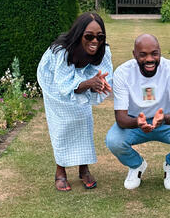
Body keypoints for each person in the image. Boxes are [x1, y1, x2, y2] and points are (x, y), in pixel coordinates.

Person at [105, 33, 170, 191]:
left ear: (160, 52)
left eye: (154, 53)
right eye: (143, 55)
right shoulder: (122, 73)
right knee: (114, 141)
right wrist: (137, 122)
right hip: (134, 122)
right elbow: (121, 119)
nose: (149, 59)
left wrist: (163, 119)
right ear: (134, 54)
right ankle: (136, 166)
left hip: (167, 120)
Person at [37, 12, 113, 191]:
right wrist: (88, 83)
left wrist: (99, 83)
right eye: (89, 36)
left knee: (84, 119)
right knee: (61, 124)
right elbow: (64, 86)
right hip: (53, 82)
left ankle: (83, 169)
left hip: (80, 78)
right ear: (79, 34)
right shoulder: (61, 51)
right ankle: (60, 171)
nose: (95, 41)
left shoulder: (103, 50)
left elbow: (104, 75)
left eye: (99, 37)